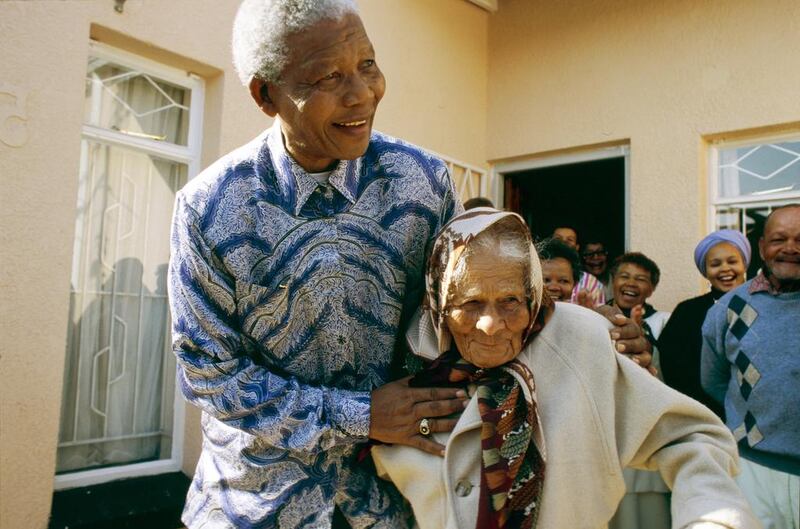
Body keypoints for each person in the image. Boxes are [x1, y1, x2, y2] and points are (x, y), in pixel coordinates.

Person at [168, 2, 653, 527]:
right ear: (266, 94)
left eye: (368, 65)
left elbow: (459, 313)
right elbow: (208, 375)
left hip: (398, 502)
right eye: (329, 76)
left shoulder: (422, 181)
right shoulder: (209, 208)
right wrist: (362, 415)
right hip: (253, 506)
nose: (362, 94)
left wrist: (573, 332)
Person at [372, 208, 759, 529]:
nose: (491, 324)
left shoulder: (581, 339)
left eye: (510, 300)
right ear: (440, 304)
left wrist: (711, 515)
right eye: (470, 304)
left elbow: (689, 436)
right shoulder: (403, 368)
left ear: (533, 294)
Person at [702, 204, 800, 529]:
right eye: (779, 239)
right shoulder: (729, 309)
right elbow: (714, 380)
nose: (790, 248)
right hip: (754, 470)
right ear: (761, 248)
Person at [605, 252, 673, 529]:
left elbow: (670, 374)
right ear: (612, 281)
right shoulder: (593, 317)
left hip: (647, 429)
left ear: (652, 288)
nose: (631, 283)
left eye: (640, 279)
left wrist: (645, 339)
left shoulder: (664, 322)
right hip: (607, 430)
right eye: (624, 276)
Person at [659, 230, 751, 419]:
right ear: (705, 271)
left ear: (744, 264)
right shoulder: (687, 312)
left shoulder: (765, 306)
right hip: (704, 415)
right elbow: (672, 364)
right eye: (715, 264)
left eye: (732, 261)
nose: (725, 269)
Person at [553, 225, 606, 306]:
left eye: (569, 240)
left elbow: (598, 317)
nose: (563, 242)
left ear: (577, 247)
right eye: (558, 239)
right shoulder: (537, 274)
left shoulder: (592, 283)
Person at [538, 237, 582, 303]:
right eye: (546, 280)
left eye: (563, 281)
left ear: (574, 284)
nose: (554, 288)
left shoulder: (582, 312)